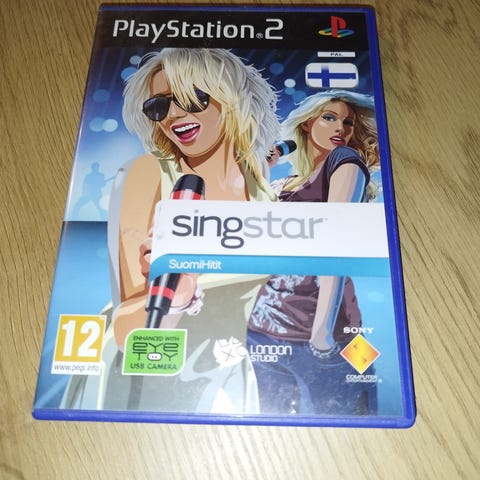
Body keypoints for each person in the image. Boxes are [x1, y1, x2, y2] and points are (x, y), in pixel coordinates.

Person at [101, 48, 280, 413]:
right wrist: (179, 294)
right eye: (159, 106)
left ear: (231, 98)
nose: (174, 115)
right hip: (160, 369)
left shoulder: (261, 182)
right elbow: (126, 330)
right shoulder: (147, 175)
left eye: (191, 97)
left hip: (242, 368)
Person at [247, 90, 380, 415]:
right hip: (262, 331)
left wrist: (322, 334)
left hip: (331, 336)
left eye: (348, 123)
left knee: (358, 425)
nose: (341, 128)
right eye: (329, 117)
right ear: (307, 123)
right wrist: (262, 170)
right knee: (272, 429)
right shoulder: (283, 184)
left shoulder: (344, 160)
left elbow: (335, 244)